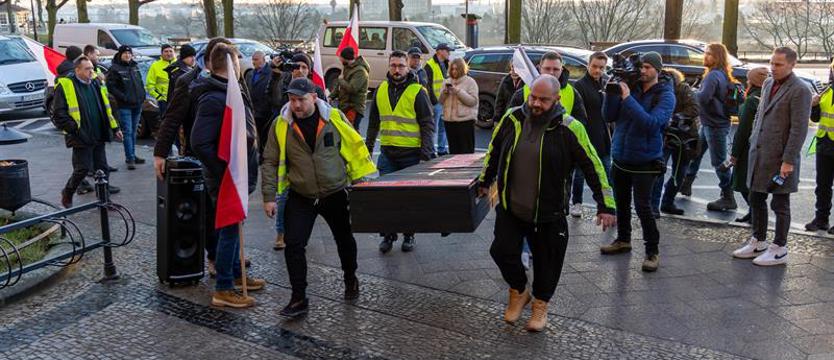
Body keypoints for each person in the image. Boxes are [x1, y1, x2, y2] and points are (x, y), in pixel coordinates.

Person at [479, 74, 616, 332]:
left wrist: (605, 205)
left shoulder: (569, 127)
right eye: (533, 97)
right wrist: (485, 180)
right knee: (501, 250)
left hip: (548, 211)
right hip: (511, 206)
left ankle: (540, 305)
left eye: (543, 99)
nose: (536, 104)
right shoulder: (512, 118)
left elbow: (593, 165)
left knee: (547, 261)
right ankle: (519, 290)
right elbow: (494, 150)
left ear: (556, 99)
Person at [261, 78, 376, 317]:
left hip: (334, 192)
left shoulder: (334, 118)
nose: (296, 106)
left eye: (301, 100)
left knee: (344, 240)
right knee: (293, 244)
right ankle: (298, 297)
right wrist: (269, 196)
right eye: (292, 100)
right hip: (301, 195)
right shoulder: (281, 125)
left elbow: (353, 148)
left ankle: (350, 277)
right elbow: (270, 160)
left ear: (314, 97)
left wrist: (360, 181)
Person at [190, 44, 266, 308]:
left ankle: (235, 274)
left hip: (238, 174)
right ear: (230, 63)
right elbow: (199, 142)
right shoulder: (214, 96)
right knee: (229, 228)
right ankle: (223, 287)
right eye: (237, 60)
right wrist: (225, 171)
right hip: (226, 177)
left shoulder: (230, 90)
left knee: (235, 225)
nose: (240, 64)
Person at [153, 37, 236, 276]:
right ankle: (214, 256)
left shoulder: (232, 79)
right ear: (211, 60)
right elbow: (171, 117)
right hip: (200, 153)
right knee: (209, 210)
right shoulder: (187, 81)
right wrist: (160, 153)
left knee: (228, 207)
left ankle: (227, 254)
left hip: (228, 155)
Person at [731, 47, 811, 266]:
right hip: (760, 152)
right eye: (771, 63)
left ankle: (779, 247)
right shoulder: (767, 83)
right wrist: (753, 139)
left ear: (792, 65)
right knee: (756, 197)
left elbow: (798, 129)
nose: (772, 68)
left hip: (780, 157)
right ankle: (758, 240)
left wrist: (788, 160)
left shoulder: (800, 90)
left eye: (778, 64)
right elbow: (760, 114)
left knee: (780, 203)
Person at [600, 52, 675, 272]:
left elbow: (651, 124)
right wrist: (611, 93)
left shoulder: (665, 95)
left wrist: (627, 97)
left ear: (658, 71)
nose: (643, 71)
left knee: (643, 207)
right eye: (641, 67)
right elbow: (608, 116)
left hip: (646, 159)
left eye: (648, 67)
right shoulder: (629, 86)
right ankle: (623, 240)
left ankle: (652, 251)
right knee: (621, 202)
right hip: (621, 155)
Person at [366, 51, 436, 253]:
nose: (397, 69)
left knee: (408, 199)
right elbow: (373, 125)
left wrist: (426, 155)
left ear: (408, 67)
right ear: (389, 66)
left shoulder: (418, 91)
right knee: (386, 200)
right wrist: (368, 150)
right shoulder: (380, 89)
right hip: (388, 154)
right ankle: (388, 236)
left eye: (401, 66)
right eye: (393, 65)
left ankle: (409, 235)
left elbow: (427, 125)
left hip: (411, 155)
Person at [52, 56, 123, 208]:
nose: (92, 71)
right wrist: (75, 129)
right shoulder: (65, 85)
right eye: (87, 69)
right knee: (82, 168)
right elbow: (58, 114)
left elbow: (106, 107)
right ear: (77, 70)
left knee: (102, 169)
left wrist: (115, 127)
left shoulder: (96, 82)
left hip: (99, 133)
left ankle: (104, 200)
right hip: (81, 136)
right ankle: (68, 191)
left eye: (92, 68)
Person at [680, 43, 738, 211]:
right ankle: (686, 184)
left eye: (710, 54)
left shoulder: (713, 76)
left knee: (719, 162)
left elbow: (703, 98)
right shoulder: (721, 74)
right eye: (705, 53)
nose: (705, 57)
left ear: (718, 57)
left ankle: (728, 197)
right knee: (696, 154)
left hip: (715, 125)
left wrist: (691, 93)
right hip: (710, 123)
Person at [650, 68, 700, 217]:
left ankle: (667, 201)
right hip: (665, 135)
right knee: (659, 170)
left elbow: (694, 108)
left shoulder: (683, 89)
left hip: (683, 135)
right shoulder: (657, 90)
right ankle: (653, 205)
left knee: (680, 172)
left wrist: (674, 117)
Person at [570, 51, 612, 217]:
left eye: (601, 67)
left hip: (604, 137)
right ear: (588, 65)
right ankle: (577, 202)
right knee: (580, 173)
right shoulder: (580, 85)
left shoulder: (607, 83)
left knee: (607, 174)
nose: (597, 70)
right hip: (586, 135)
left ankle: (608, 205)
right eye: (594, 66)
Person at [730, 67, 768, 224]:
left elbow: (743, 129)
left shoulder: (752, 101)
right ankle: (753, 212)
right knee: (753, 182)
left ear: (752, 82)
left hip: (747, 149)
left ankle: (755, 214)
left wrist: (734, 153)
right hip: (762, 146)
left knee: (743, 182)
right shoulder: (766, 96)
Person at [106, 45, 146, 170]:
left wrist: (142, 95)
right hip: (125, 106)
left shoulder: (134, 66)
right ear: (120, 54)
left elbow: (140, 82)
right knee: (127, 132)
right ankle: (130, 158)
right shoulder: (115, 68)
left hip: (137, 104)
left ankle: (133, 155)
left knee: (133, 132)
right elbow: (111, 87)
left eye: (129, 53)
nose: (127, 55)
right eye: (125, 53)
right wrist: (123, 97)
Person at [806, 60, 834, 233]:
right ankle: (821, 219)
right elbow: (816, 118)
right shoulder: (826, 90)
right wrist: (814, 106)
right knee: (822, 186)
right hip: (824, 143)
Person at [439, 57, 478, 154]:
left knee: (466, 152)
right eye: (452, 69)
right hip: (449, 122)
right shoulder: (446, 82)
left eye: (456, 69)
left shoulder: (470, 82)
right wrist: (445, 93)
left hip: (465, 122)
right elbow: (440, 101)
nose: (454, 71)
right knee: (453, 152)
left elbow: (473, 101)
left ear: (461, 69)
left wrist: (458, 92)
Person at [329, 47, 369, 130]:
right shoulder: (347, 67)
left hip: (353, 107)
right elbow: (339, 87)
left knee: (351, 132)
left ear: (345, 58)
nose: (339, 59)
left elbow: (352, 88)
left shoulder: (360, 71)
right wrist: (331, 96)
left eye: (341, 57)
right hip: (344, 106)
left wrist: (340, 80)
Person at [244, 51, 273, 157]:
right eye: (253, 59)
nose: (253, 62)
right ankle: (257, 154)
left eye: (256, 59)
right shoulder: (250, 74)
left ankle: (264, 155)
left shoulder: (271, 73)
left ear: (263, 60)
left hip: (265, 110)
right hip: (252, 110)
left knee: (264, 134)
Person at [425, 43, 451, 155]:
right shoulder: (429, 65)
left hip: (445, 101)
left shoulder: (447, 63)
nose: (449, 53)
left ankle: (441, 149)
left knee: (443, 128)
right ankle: (431, 150)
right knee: (433, 129)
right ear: (439, 51)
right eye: (447, 51)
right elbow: (428, 86)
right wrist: (434, 102)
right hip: (436, 103)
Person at [163, 44, 197, 108]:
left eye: (194, 56)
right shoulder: (178, 72)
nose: (193, 59)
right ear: (184, 57)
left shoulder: (190, 69)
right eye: (190, 56)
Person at [146, 44, 175, 119]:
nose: (168, 53)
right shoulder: (155, 66)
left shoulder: (178, 64)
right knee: (165, 122)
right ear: (161, 54)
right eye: (166, 51)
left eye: (170, 51)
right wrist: (158, 97)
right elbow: (149, 84)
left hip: (177, 99)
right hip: (164, 100)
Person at [491, 64, 523, 129]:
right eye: (512, 67)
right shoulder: (506, 80)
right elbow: (499, 101)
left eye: (517, 67)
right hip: (507, 118)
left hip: (521, 120)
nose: (514, 70)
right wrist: (497, 119)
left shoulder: (527, 82)